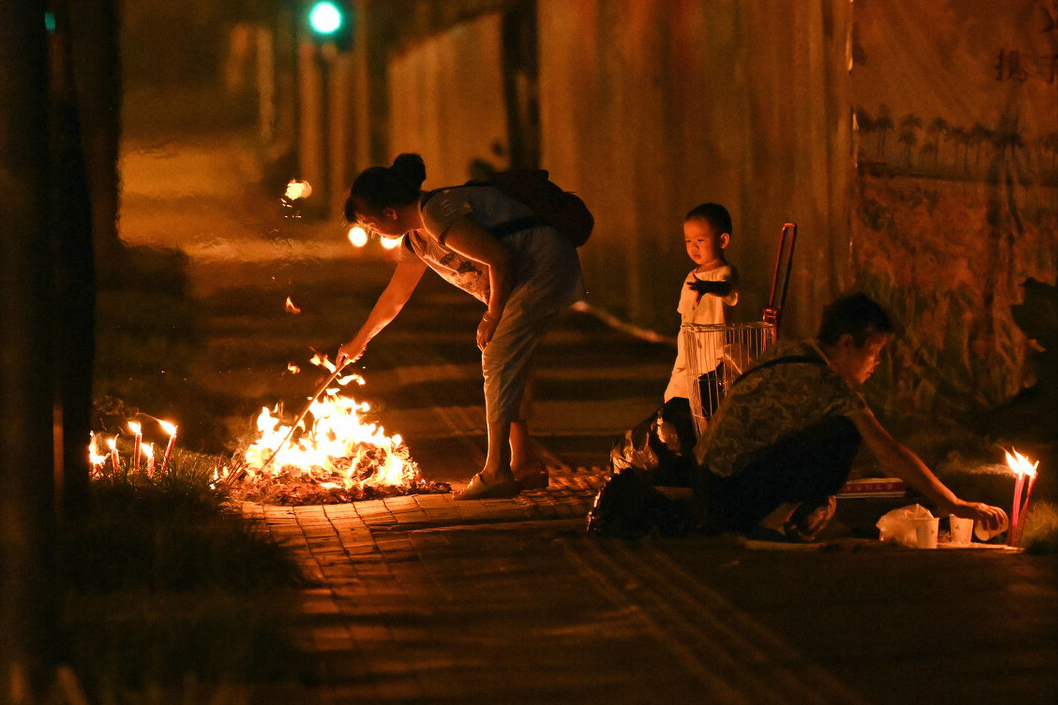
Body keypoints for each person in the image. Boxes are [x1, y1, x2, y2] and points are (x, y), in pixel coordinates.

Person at [336, 154, 584, 500]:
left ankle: (496, 470)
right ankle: (523, 464)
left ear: (390, 212)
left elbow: (499, 258)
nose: (371, 230)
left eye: (370, 223)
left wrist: (492, 317)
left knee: (498, 357)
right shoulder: (416, 239)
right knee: (510, 363)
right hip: (527, 275)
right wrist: (357, 342)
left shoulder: (437, 213)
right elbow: (396, 296)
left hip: (542, 267)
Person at [692, 293, 1008, 541]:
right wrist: (954, 503)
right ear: (846, 343)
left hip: (709, 488)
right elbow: (888, 449)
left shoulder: (791, 351)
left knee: (829, 448)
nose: (877, 363)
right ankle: (771, 522)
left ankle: (780, 515)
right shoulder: (832, 386)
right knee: (844, 432)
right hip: (732, 499)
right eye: (873, 351)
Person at [608, 203, 739, 486]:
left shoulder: (723, 273)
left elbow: (728, 290)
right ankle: (681, 457)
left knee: (707, 408)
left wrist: (709, 288)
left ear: (723, 240)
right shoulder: (691, 277)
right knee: (677, 399)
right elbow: (685, 315)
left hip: (713, 353)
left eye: (700, 240)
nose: (693, 247)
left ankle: (704, 462)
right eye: (688, 241)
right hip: (689, 353)